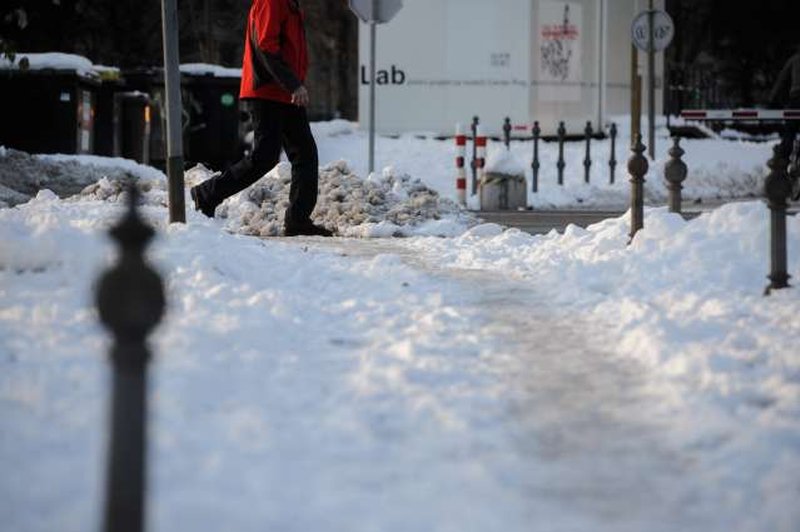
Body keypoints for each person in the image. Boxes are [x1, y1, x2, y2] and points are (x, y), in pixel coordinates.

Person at [190, 0, 333, 236]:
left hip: (285, 93)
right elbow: (266, 46)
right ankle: (207, 193)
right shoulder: (273, 2)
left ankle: (297, 220)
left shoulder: (291, 6)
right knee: (264, 157)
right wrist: (293, 84)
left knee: (305, 154)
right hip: (267, 91)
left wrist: (293, 85)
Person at [769, 46, 800, 161]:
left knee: (790, 130)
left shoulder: (794, 59)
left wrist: (772, 99)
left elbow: (781, 79)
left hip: (796, 98)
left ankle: (782, 159)